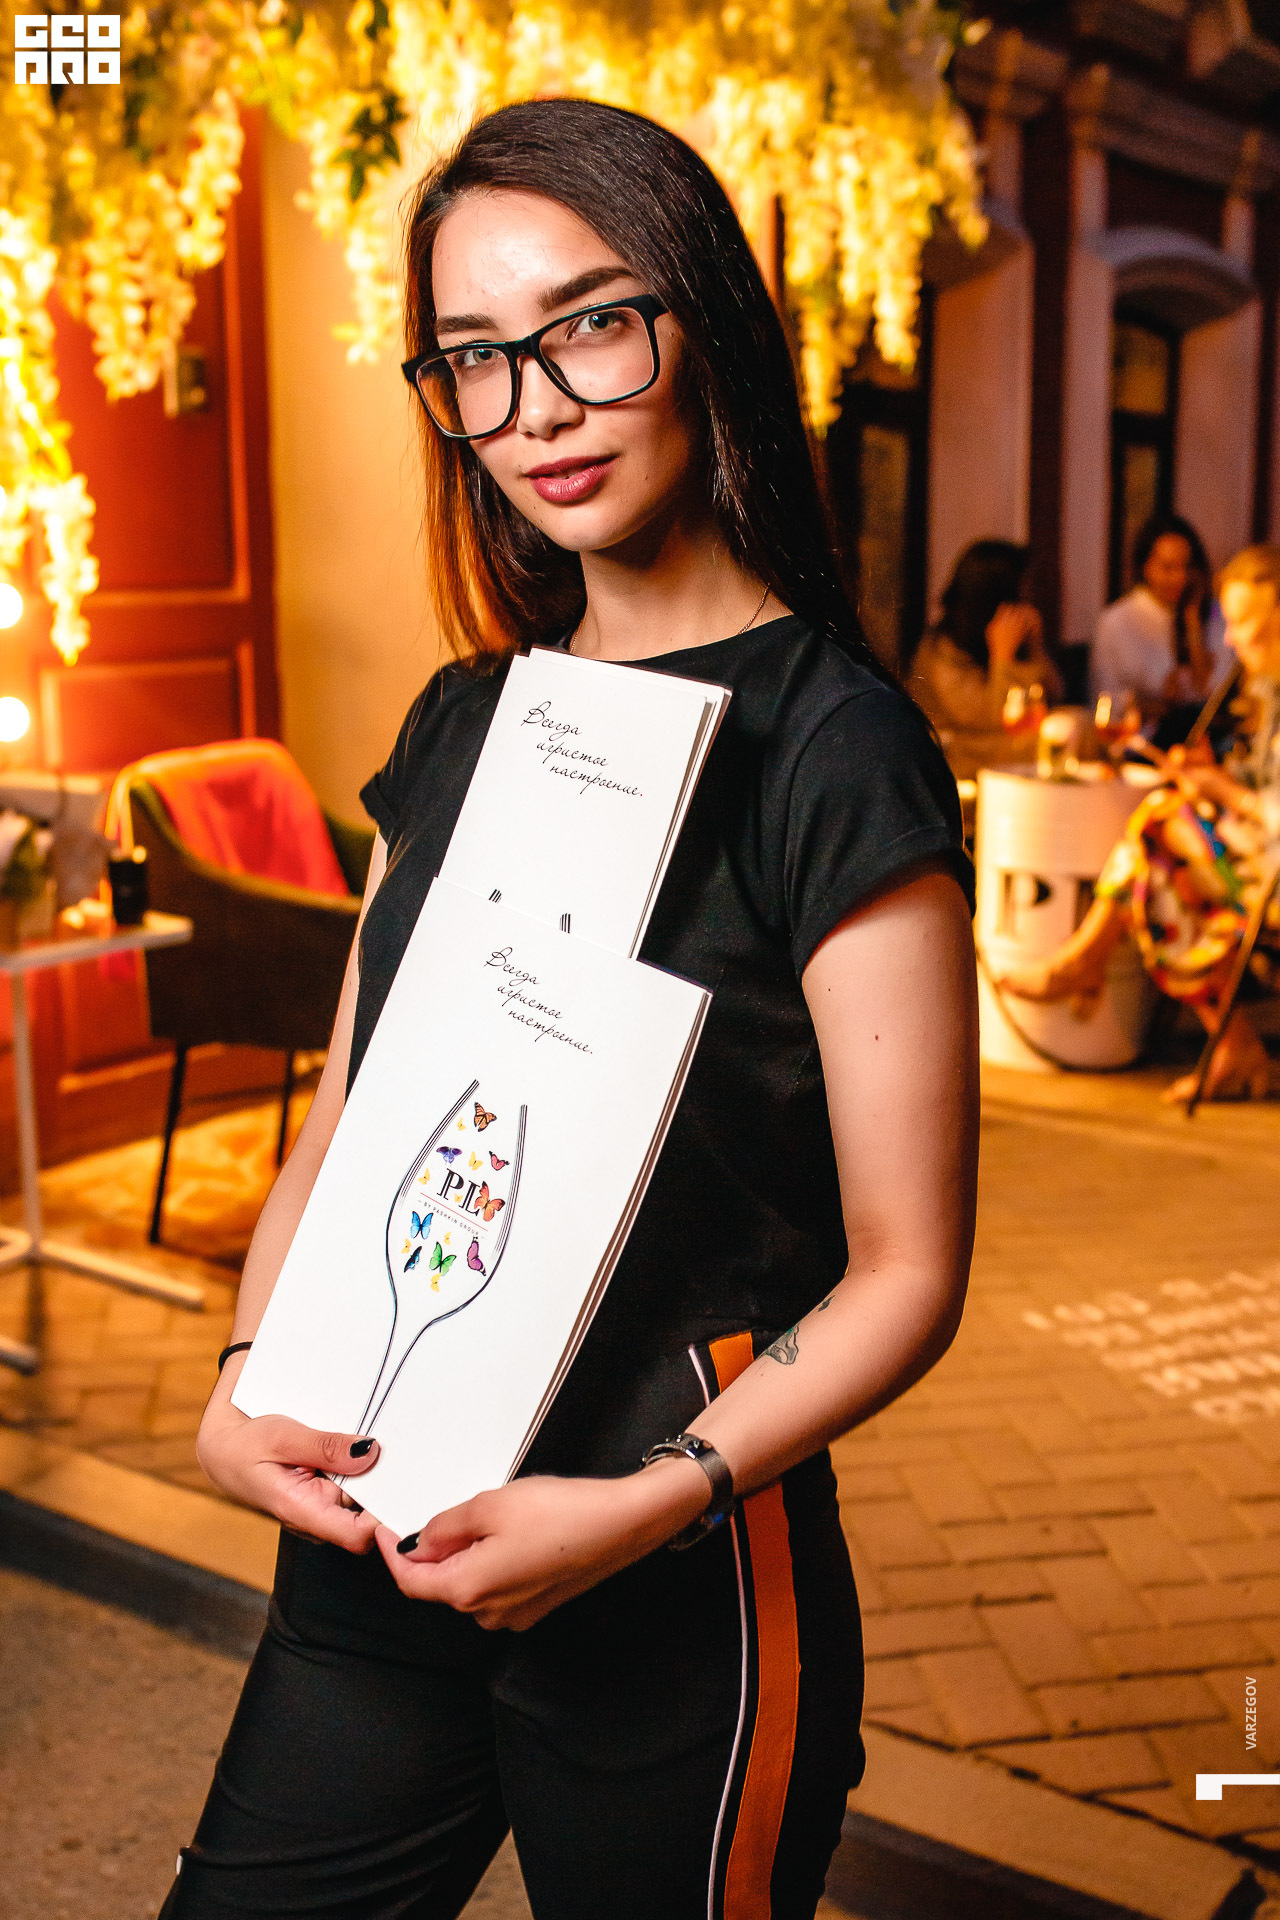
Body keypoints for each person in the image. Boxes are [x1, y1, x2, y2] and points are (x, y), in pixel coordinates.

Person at [166, 99, 978, 1920]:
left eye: (590, 324)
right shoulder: (463, 723)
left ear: (706, 322)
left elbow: (910, 1270)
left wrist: (656, 1497)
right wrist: (242, 1375)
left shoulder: (836, 749)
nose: (532, 406)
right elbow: (346, 1125)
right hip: (382, 1533)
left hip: (670, 1571)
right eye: (473, 356)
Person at [996, 543, 1280, 1103]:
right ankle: (1231, 1044)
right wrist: (1218, 774)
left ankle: (1083, 964)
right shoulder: (1270, 689)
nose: (1229, 638)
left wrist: (1225, 791)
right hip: (1262, 862)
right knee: (1159, 870)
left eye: (1243, 623)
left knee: (1157, 833)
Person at [909, 539, 1061, 780]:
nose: (1028, 601)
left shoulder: (1013, 638)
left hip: (1007, 759)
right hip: (958, 767)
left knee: (1071, 726)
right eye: (1023, 592)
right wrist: (1002, 658)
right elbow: (994, 722)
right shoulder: (943, 651)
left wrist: (1034, 647)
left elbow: (1051, 696)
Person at [1091, 512, 1229, 739]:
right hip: (1140, 741)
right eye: (1168, 568)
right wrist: (1162, 702)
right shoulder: (1117, 621)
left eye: (1187, 567)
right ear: (1145, 567)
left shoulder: (1216, 613)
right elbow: (1106, 702)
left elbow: (1215, 692)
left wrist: (1193, 623)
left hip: (1208, 739)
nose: (1180, 578)